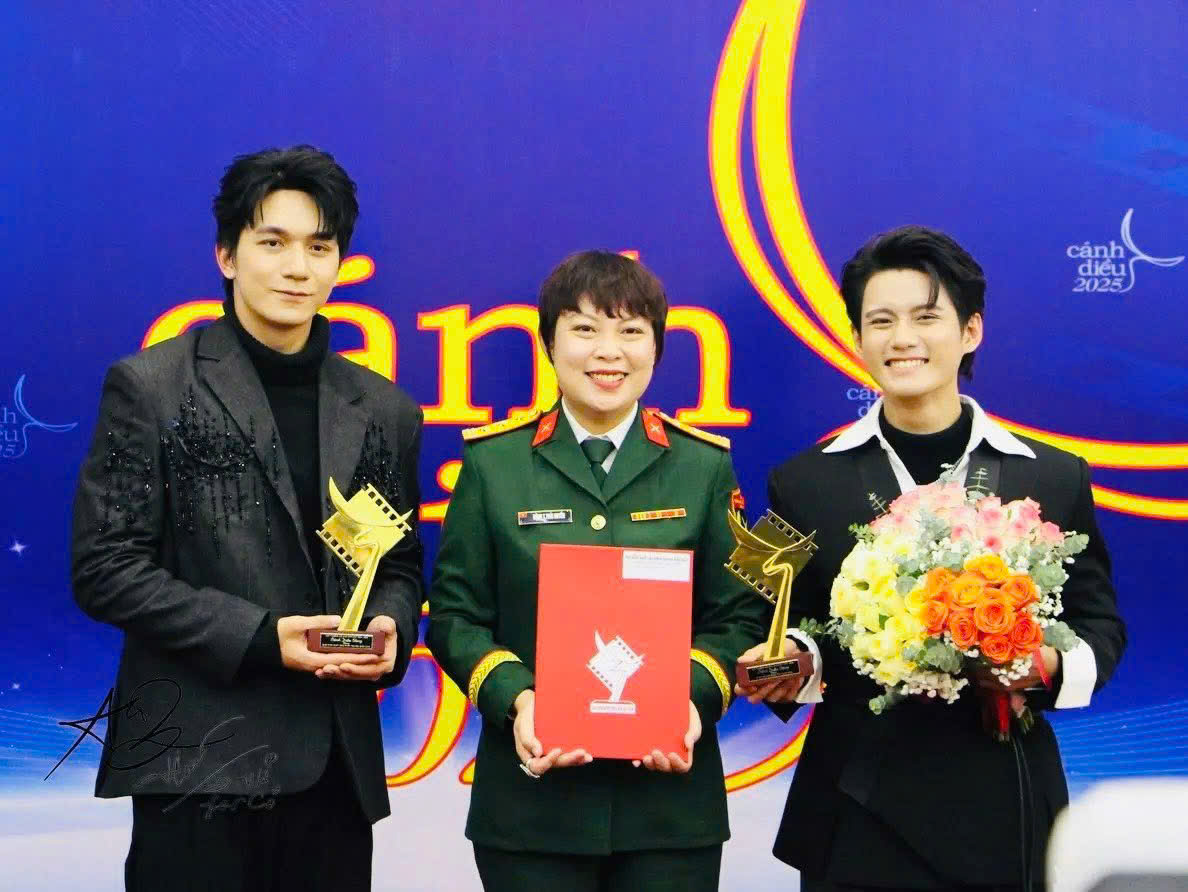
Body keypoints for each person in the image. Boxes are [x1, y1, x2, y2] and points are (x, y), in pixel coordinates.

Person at [71, 145, 424, 891]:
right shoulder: (152, 387)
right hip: (197, 764)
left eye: (319, 248)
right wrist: (264, 638)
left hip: (334, 772)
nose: (298, 268)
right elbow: (106, 567)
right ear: (227, 256)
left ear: (339, 264)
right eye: (273, 243)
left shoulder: (382, 409)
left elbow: (396, 563)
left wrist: (390, 629)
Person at [736, 225, 1126, 891]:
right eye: (880, 321)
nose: (902, 338)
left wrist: (1043, 666)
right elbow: (755, 621)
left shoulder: (1055, 475)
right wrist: (788, 662)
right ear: (857, 338)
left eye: (925, 317)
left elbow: (1101, 624)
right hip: (855, 803)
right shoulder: (795, 480)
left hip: (1003, 795)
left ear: (970, 331)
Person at [426, 250, 765, 891]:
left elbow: (739, 615)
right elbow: (455, 616)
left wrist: (689, 700)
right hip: (532, 811)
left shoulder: (703, 467)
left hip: (669, 812)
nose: (608, 351)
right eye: (584, 329)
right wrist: (518, 700)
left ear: (656, 349)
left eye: (631, 330)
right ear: (549, 344)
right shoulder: (495, 464)